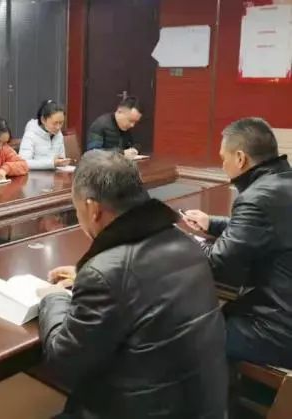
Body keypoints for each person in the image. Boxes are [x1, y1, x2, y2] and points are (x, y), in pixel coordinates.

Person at [37, 150, 227, 419]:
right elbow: (142, 284)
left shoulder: (105, 274)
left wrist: (54, 297)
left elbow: (64, 363)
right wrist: (88, 276)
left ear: (92, 208)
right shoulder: (186, 243)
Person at [182, 117, 292, 368]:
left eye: (224, 158)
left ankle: (220, 393)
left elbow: (219, 264)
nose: (223, 165)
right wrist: (212, 223)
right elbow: (266, 227)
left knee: (186, 333)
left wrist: (184, 241)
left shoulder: (257, 197)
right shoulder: (282, 183)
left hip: (279, 330)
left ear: (240, 158)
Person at [18, 100, 71, 170]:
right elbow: (23, 163)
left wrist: (62, 161)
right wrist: (52, 163)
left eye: (61, 123)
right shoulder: (30, 134)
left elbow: (61, 158)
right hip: (35, 175)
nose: (58, 127)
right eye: (55, 123)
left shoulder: (59, 135)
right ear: (43, 120)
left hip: (55, 174)